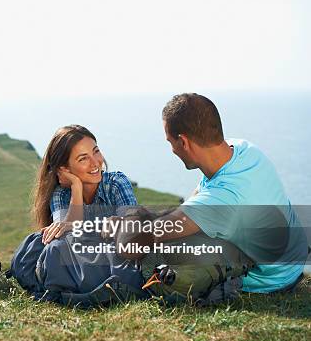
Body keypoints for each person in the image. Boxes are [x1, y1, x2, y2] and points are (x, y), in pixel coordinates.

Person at [117, 93, 307, 295]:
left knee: (165, 252)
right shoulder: (245, 150)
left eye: (170, 141)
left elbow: (133, 243)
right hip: (292, 261)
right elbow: (192, 202)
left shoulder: (221, 199)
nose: (171, 149)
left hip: (271, 279)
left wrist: (130, 217)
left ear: (183, 142)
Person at [31, 125, 137, 245]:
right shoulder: (60, 194)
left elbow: (132, 229)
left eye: (96, 151)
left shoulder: (116, 183)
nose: (95, 163)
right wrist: (76, 186)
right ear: (64, 169)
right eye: (83, 159)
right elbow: (64, 236)